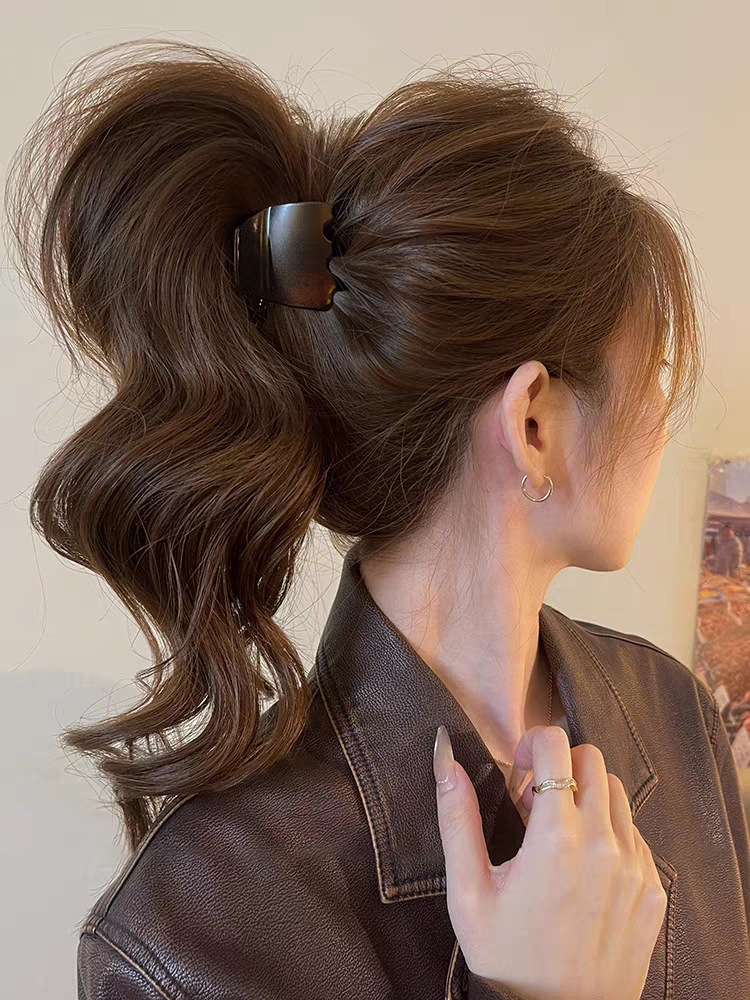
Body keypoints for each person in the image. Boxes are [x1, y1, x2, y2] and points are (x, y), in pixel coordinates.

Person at [6, 37, 749, 1000]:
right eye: (652, 374)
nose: (662, 419)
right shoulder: (189, 927)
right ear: (532, 424)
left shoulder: (677, 715)